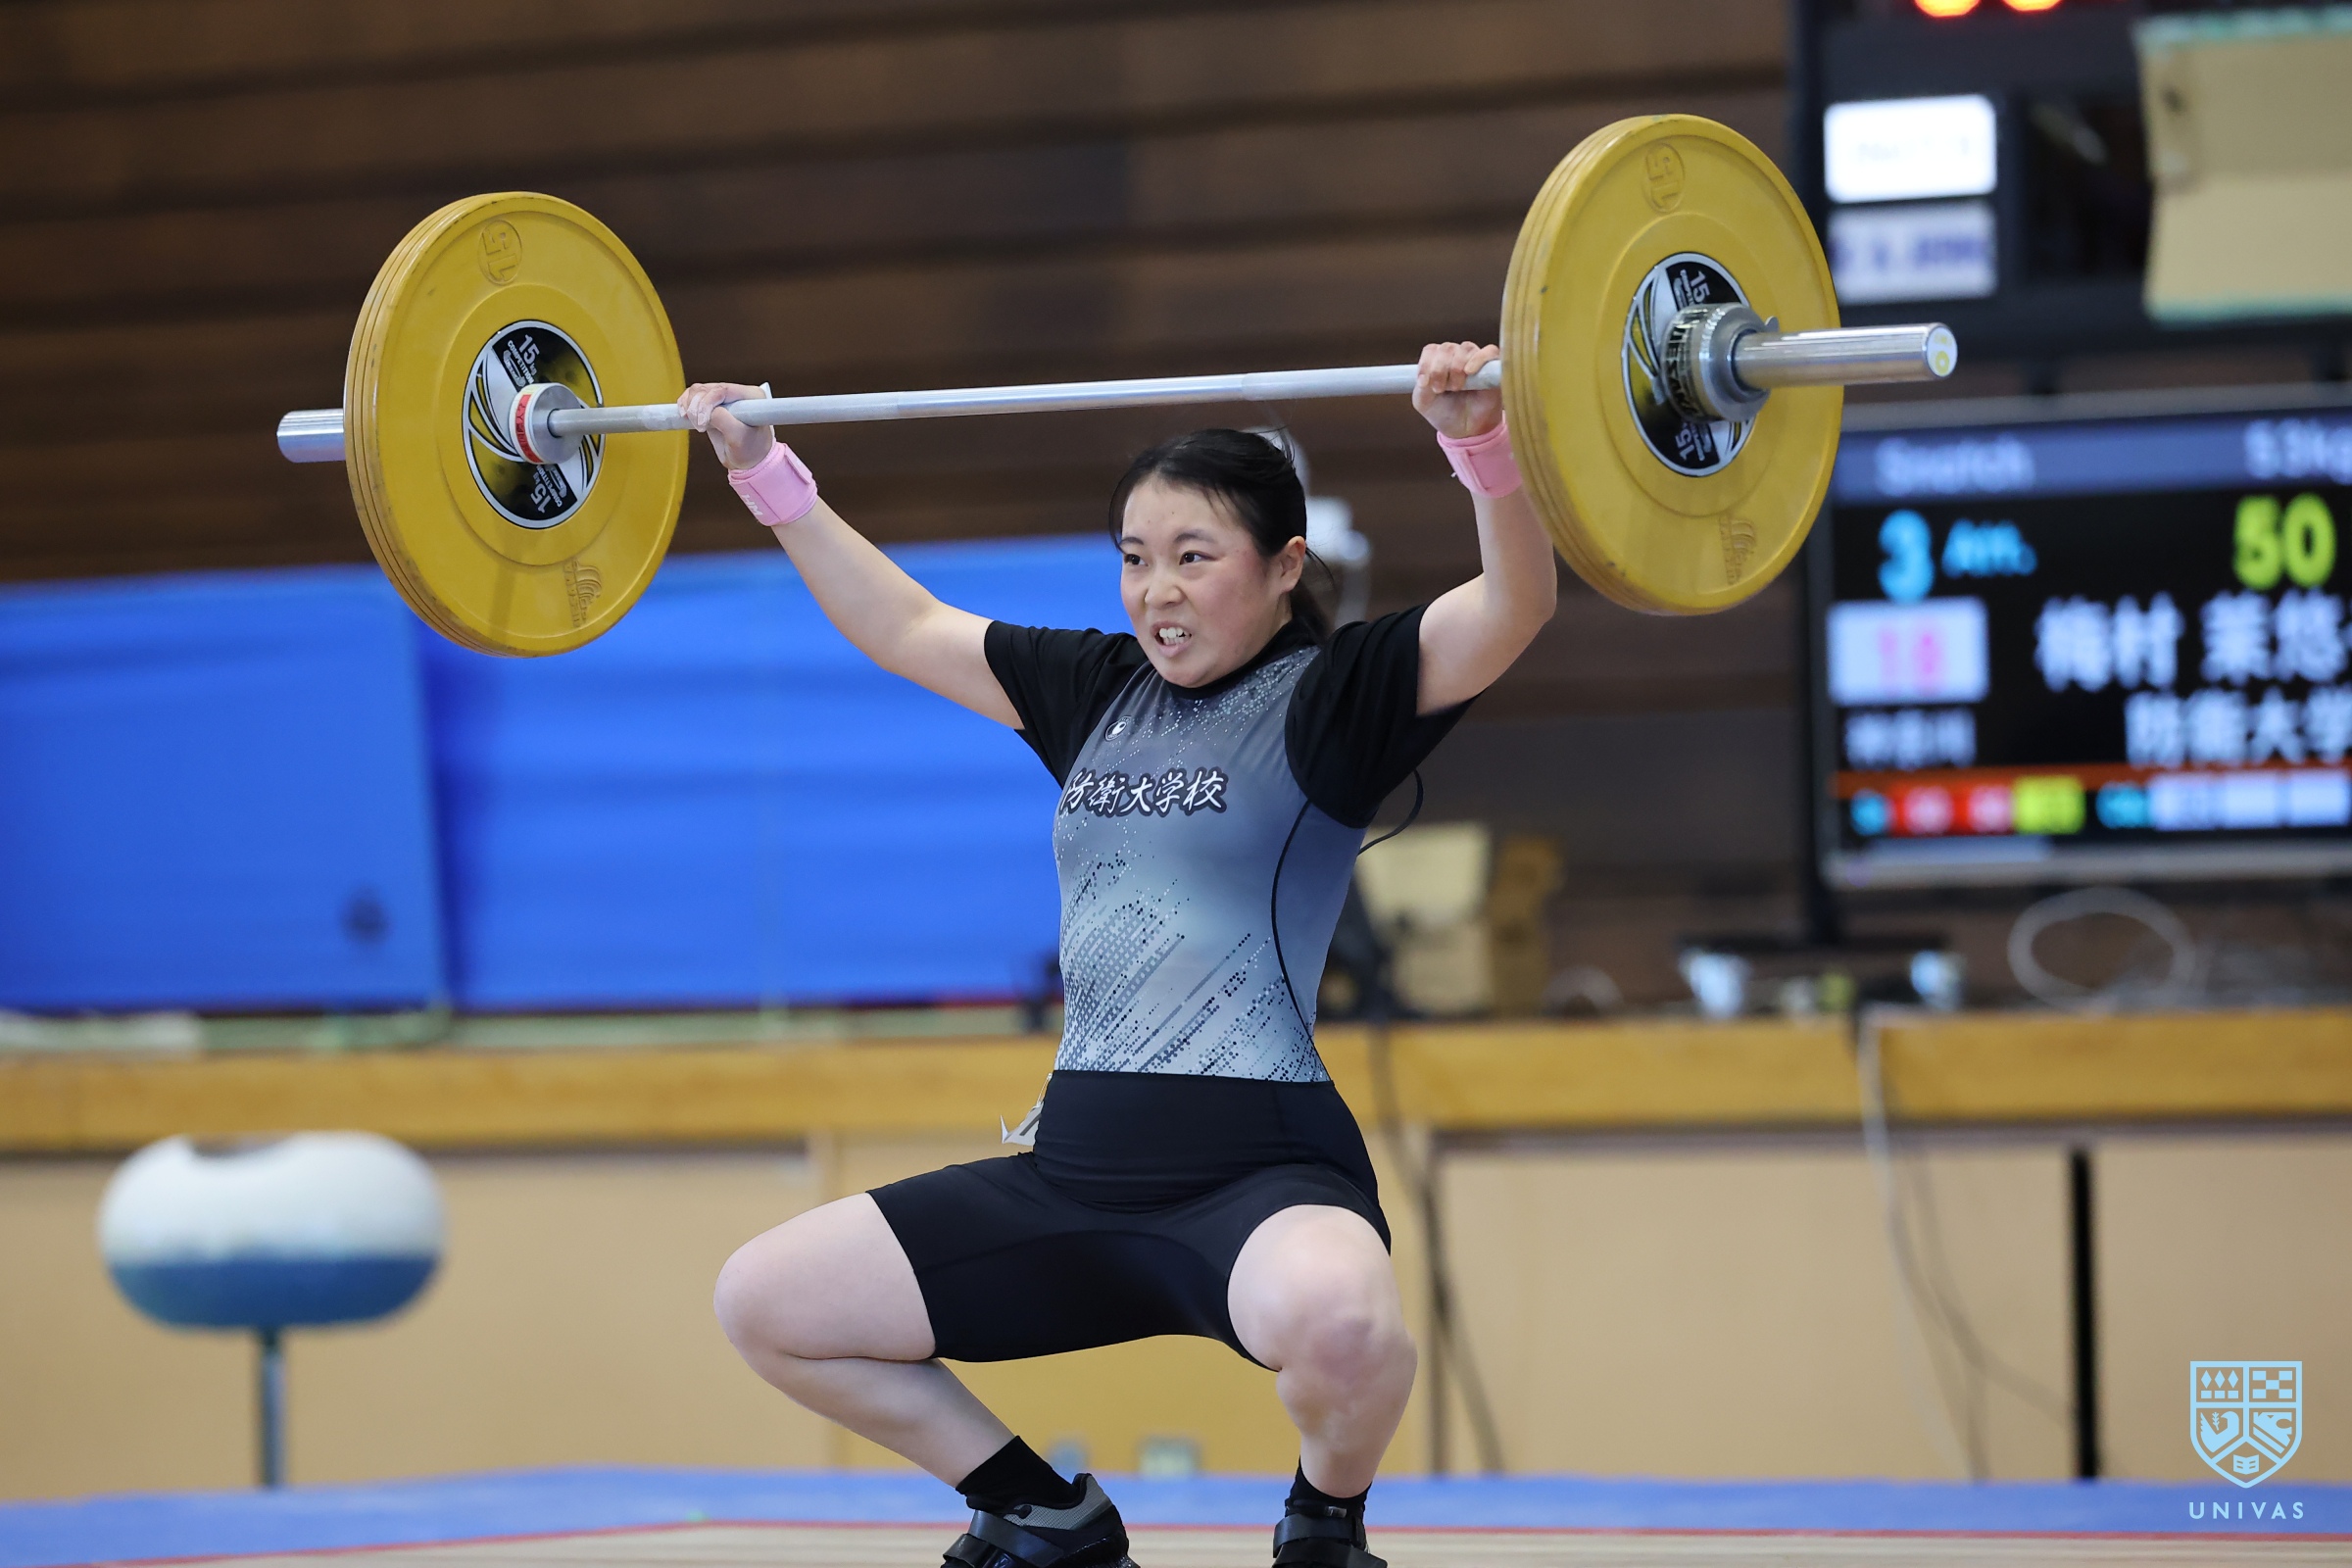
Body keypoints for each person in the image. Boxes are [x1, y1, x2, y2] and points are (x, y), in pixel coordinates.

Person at [681, 343, 1553, 1568]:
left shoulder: (1335, 698)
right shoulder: (1096, 689)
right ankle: (1044, 1514)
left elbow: (1514, 605)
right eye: (1135, 558)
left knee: (1347, 1327)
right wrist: (765, 470)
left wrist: (1481, 442)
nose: (1157, 592)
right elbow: (905, 623)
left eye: (1194, 556)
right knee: (767, 1302)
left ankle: (1323, 1521)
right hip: (1076, 1176)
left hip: (1262, 1180)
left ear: (1284, 565)